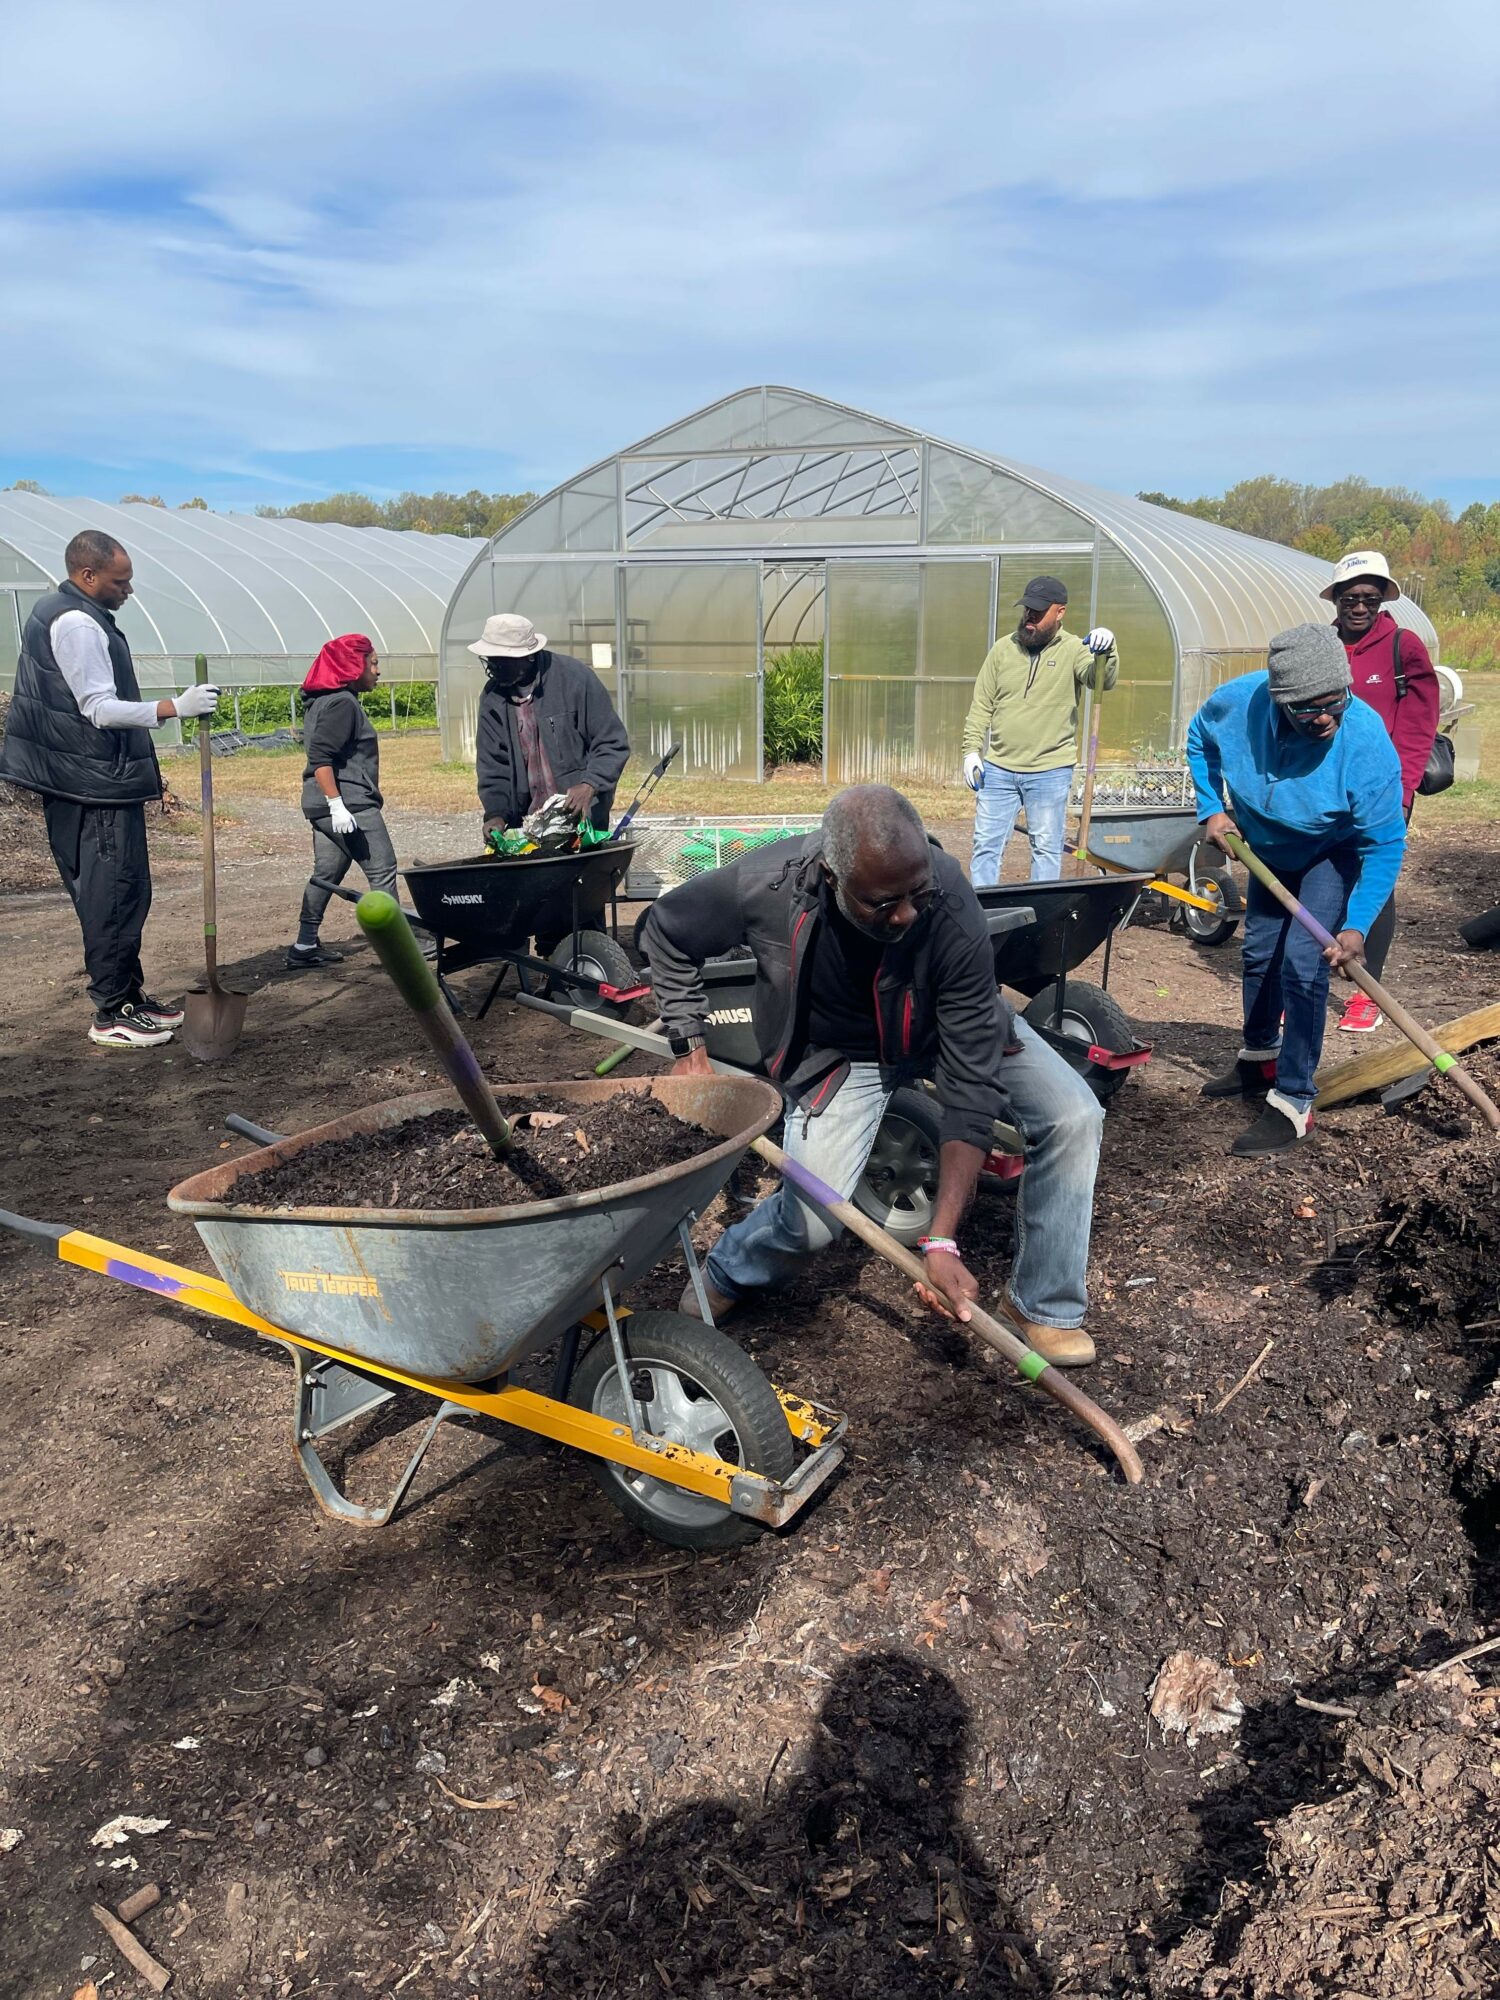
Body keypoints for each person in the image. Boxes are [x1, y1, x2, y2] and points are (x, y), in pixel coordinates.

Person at [642, 783, 1104, 1366]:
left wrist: (940, 1239)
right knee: (812, 1222)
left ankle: (1043, 1306)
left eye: (917, 892)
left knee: (1074, 1115)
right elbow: (666, 930)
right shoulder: (768, 883)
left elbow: (970, 1086)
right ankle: (731, 1270)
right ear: (833, 879)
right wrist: (688, 1044)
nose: (907, 913)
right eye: (884, 902)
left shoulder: (949, 902)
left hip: (946, 1025)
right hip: (844, 1051)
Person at [1188, 624, 1406, 1158]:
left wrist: (1355, 927)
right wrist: (1211, 808)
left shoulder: (1367, 744)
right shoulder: (1235, 705)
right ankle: (1260, 1058)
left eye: (1336, 701)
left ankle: (1294, 1100)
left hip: (1331, 851)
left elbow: (1383, 845)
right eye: (1309, 708)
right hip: (1266, 849)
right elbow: (1199, 739)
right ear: (1280, 699)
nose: (1326, 717)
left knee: (1302, 961)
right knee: (1261, 954)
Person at [0, 531, 220, 1048]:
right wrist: (174, 708)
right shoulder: (76, 623)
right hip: (94, 784)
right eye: (121, 582)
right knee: (113, 895)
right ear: (88, 576)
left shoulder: (64, 611)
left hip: (80, 779)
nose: (129, 591)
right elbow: (97, 708)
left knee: (117, 893)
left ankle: (130, 995)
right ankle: (112, 1011)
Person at [1323, 549, 1439, 1034]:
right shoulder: (1322, 645)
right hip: (1324, 790)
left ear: (1382, 599)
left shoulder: (1402, 646)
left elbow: (1418, 726)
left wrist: (1405, 791)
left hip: (1382, 791)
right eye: (1351, 597)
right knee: (1322, 881)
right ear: (1337, 600)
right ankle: (1309, 979)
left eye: (1370, 597)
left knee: (1375, 886)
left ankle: (1369, 990)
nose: (1359, 606)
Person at [961, 575, 1118, 885]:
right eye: (1027, 610)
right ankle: (984, 918)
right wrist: (970, 750)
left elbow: (1100, 681)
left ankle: (1039, 921)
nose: (1029, 617)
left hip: (1050, 771)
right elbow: (982, 703)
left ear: (1060, 612)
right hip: (999, 769)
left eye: (1038, 611)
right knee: (986, 847)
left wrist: (1107, 652)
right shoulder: (1004, 649)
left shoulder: (1075, 649)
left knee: (1045, 849)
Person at [286, 634, 398, 970]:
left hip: (321, 804)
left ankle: (304, 945)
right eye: (373, 663)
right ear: (353, 665)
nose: (378, 672)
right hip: (348, 803)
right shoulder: (342, 704)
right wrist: (338, 804)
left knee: (326, 873)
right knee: (382, 871)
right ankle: (399, 947)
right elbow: (322, 757)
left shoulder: (321, 701)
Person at [470, 613, 629, 839]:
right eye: (490, 659)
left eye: (501, 660)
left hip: (579, 818)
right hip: (527, 825)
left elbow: (612, 742)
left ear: (527, 657)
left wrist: (589, 784)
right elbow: (494, 767)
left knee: (585, 873)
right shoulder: (492, 699)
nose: (494, 667)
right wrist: (496, 814)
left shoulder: (574, 679)